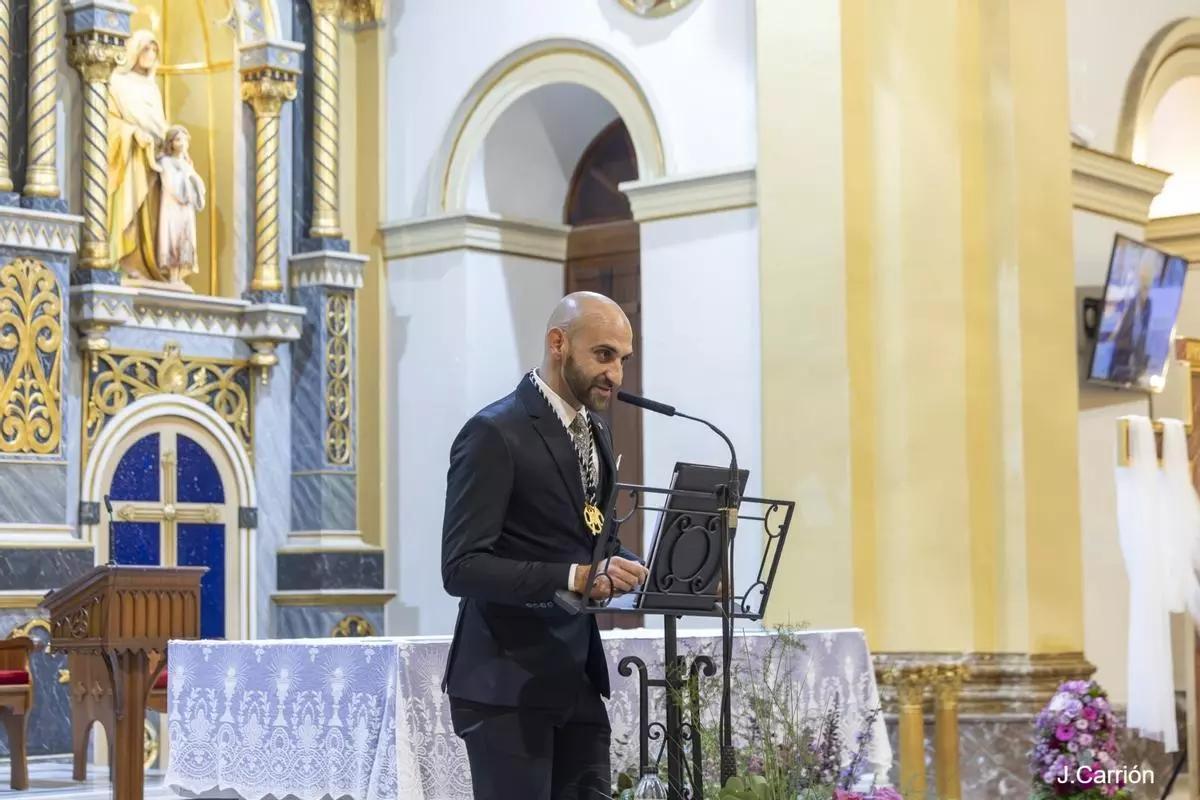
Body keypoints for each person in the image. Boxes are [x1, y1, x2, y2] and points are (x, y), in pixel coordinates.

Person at [441, 291, 649, 800]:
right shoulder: (494, 431)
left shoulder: (596, 434)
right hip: (505, 685)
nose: (616, 375)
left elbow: (594, 538)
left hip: (576, 679)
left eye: (623, 359)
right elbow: (462, 567)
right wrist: (575, 576)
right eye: (604, 355)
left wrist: (627, 568)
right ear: (559, 343)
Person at [108, 30, 168, 279]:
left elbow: (160, 126)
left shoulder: (152, 87)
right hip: (130, 157)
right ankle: (126, 260)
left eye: (154, 50)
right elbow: (108, 120)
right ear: (134, 51)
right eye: (146, 49)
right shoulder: (117, 82)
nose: (151, 54)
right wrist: (132, 133)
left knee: (151, 217)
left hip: (153, 159)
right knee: (130, 210)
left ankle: (146, 263)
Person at [156, 125, 206, 287]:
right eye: (178, 139)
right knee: (173, 237)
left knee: (185, 238)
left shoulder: (187, 164)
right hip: (172, 207)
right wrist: (187, 178)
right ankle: (172, 275)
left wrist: (194, 180)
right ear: (171, 143)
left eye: (184, 139)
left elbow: (197, 184)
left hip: (186, 210)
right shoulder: (166, 162)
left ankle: (179, 276)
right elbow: (171, 184)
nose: (182, 143)